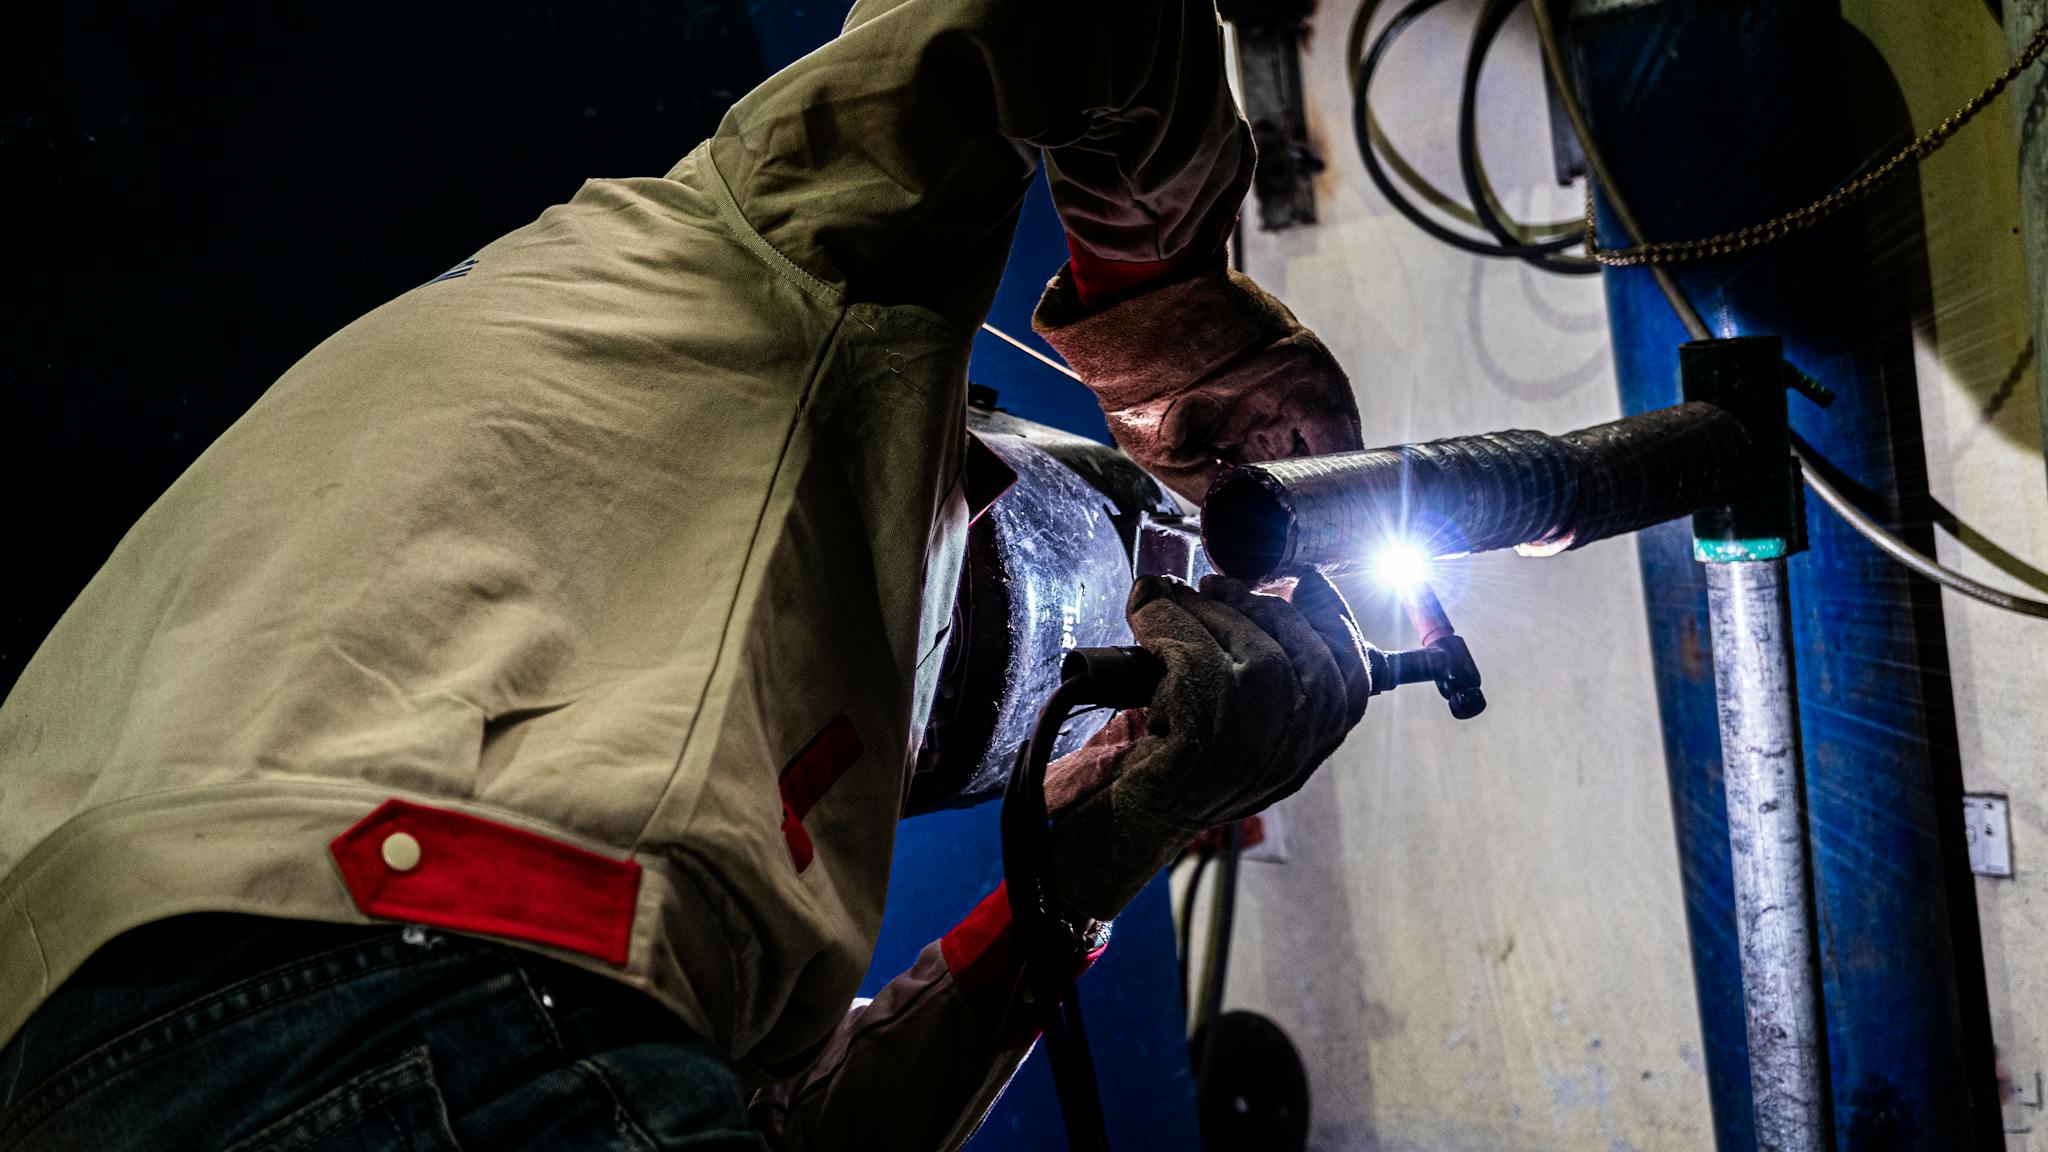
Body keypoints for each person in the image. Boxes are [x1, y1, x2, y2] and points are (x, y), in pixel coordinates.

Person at [0, 0, 1373, 1147]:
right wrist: (1179, 337)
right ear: (985, 466)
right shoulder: (762, 262)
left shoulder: (604, 715)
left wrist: (1105, 843)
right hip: (403, 986)